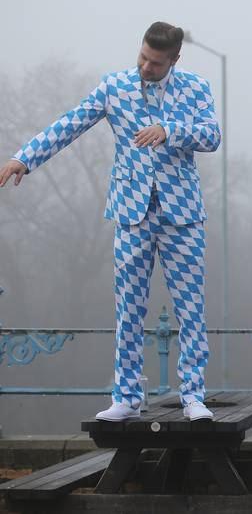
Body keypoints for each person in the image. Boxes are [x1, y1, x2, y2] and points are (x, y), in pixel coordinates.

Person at [0, 22, 220, 422]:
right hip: (131, 212)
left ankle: (193, 396)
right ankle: (126, 396)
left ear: (175, 59)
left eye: (156, 63)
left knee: (191, 308)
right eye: (142, 57)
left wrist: (169, 130)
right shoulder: (115, 86)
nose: (146, 68)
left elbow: (211, 136)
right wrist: (24, 158)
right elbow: (70, 123)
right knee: (128, 307)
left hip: (182, 214)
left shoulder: (196, 88)